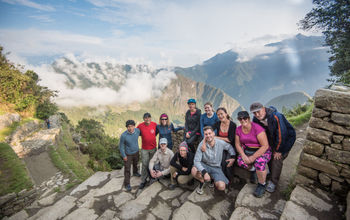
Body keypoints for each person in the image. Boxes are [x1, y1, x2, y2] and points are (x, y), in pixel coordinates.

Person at [250, 102, 296, 193]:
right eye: (254, 113)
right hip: (271, 140)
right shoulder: (256, 119)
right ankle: (272, 173)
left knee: (276, 159)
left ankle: (273, 182)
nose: (257, 115)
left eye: (258, 111)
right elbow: (257, 132)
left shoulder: (276, 117)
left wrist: (279, 150)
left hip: (285, 140)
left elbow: (282, 134)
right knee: (269, 156)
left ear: (263, 109)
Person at [235, 111, 271, 198]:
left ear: (249, 118)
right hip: (248, 151)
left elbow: (265, 146)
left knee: (259, 162)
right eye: (240, 119)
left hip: (261, 151)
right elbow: (237, 144)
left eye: (245, 118)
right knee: (240, 161)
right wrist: (243, 155)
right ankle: (253, 170)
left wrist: (252, 157)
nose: (243, 120)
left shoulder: (257, 129)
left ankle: (262, 184)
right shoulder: (238, 129)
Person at [192, 126, 235, 194]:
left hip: (216, 167)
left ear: (214, 133)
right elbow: (196, 161)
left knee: (221, 186)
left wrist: (233, 157)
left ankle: (212, 180)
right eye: (206, 134)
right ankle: (202, 181)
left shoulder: (220, 142)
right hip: (205, 165)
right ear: (204, 135)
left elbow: (229, 147)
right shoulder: (201, 145)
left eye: (210, 133)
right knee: (194, 170)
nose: (208, 136)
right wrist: (204, 172)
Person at [201, 107, 237, 184]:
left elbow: (229, 139)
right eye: (218, 115)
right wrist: (204, 143)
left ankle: (229, 181)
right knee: (219, 162)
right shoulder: (218, 124)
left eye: (221, 114)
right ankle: (220, 179)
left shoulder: (232, 125)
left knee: (227, 163)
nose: (220, 116)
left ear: (226, 114)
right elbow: (207, 132)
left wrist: (215, 137)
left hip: (230, 147)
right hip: (221, 147)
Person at [137, 112, 158, 189]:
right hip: (144, 149)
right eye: (145, 118)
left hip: (153, 148)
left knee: (152, 164)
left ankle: (152, 177)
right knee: (145, 164)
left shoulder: (154, 124)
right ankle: (143, 180)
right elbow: (136, 133)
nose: (147, 119)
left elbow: (156, 132)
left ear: (150, 118)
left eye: (148, 117)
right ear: (144, 119)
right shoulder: (140, 126)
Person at [119, 120, 141, 191]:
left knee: (135, 163)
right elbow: (121, 147)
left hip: (136, 151)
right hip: (128, 154)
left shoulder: (137, 131)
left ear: (134, 126)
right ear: (126, 127)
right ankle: (127, 184)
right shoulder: (123, 135)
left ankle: (135, 172)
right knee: (127, 169)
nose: (130, 128)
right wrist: (124, 155)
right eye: (128, 127)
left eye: (132, 126)